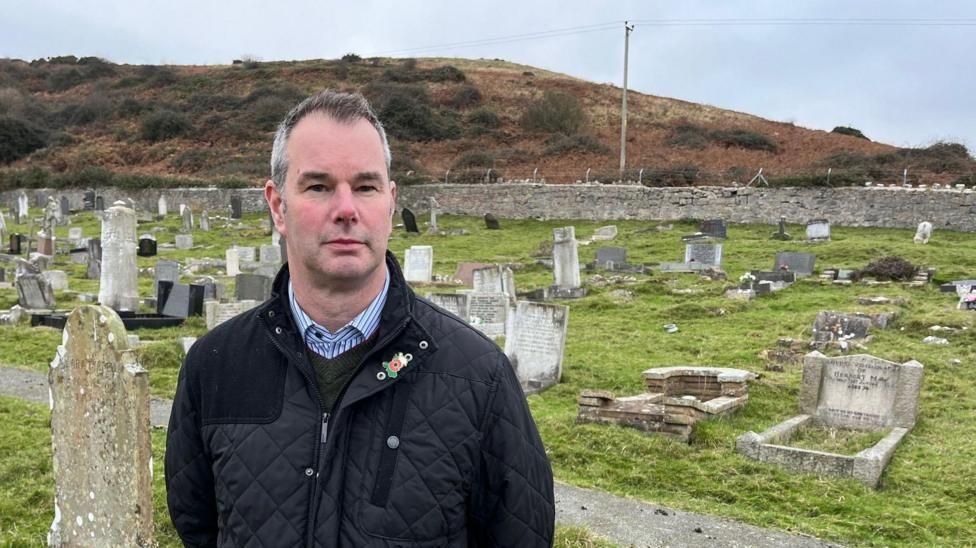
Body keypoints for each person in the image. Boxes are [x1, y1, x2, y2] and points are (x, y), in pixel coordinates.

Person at [165, 90, 555, 547]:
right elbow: (199, 527)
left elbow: (520, 534)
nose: (346, 209)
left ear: (390, 201)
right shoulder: (215, 366)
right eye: (318, 186)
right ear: (277, 205)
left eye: (365, 186)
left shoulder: (478, 376)